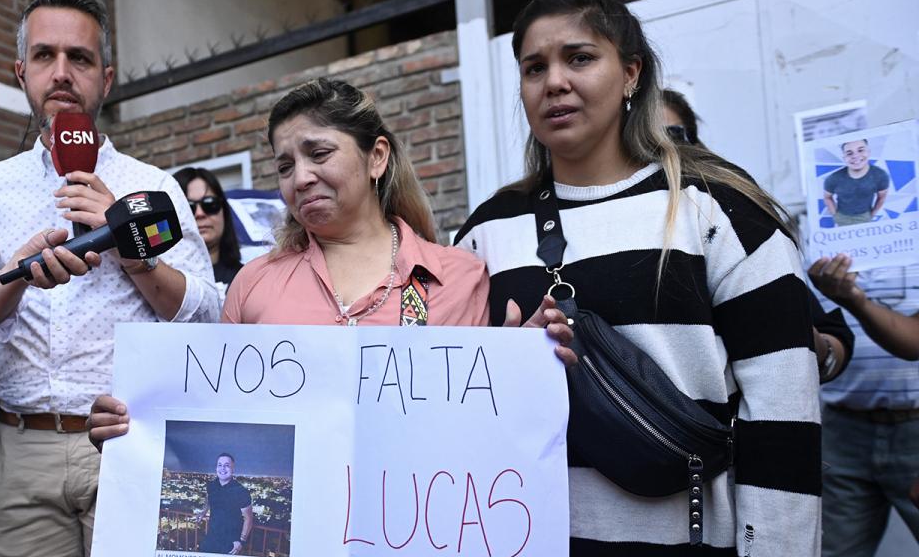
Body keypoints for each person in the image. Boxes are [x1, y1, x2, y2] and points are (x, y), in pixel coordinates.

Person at [455, 0, 821, 557]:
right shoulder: (485, 234)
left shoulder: (722, 215)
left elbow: (784, 433)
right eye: (534, 67)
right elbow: (461, 428)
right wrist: (504, 364)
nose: (554, 82)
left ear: (631, 73)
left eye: (579, 58)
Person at [86, 79, 575, 450]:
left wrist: (520, 367)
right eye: (284, 166)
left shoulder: (458, 275)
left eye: (319, 153)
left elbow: (478, 434)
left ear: (376, 157)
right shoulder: (253, 286)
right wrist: (139, 425)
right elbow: (218, 424)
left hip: (418, 549)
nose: (300, 178)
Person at [0, 0, 218, 557]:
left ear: (106, 77)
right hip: (20, 445)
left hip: (132, 443)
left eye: (79, 57)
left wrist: (127, 241)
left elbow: (208, 315)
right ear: (20, 73)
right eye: (44, 55)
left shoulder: (153, 188)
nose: (61, 72)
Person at [661, 90, 854, 383]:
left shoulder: (728, 220)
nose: (654, 150)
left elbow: (831, 344)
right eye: (629, 136)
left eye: (670, 135)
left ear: (694, 145)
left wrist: (806, 346)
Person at [808, 252, 919, 557]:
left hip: (914, 425)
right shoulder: (821, 238)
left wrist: (853, 299)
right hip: (843, 425)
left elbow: (914, 341)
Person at [173, 167, 243, 295]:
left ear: (224, 212)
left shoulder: (248, 278)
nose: (200, 214)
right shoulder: (160, 281)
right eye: (188, 207)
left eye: (210, 204)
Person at [824, 139, 891, 226]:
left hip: (865, 217)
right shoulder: (833, 178)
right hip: (842, 217)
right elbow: (827, 197)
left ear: (868, 152)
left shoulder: (880, 175)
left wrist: (872, 215)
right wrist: (835, 216)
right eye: (849, 153)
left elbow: (882, 197)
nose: (855, 156)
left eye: (860, 150)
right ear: (844, 157)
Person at [197, 453, 254, 555]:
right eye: (220, 465)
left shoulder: (241, 491)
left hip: (231, 542)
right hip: (211, 537)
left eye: (227, 465)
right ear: (216, 468)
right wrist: (203, 512)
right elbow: (209, 499)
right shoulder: (211, 486)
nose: (222, 468)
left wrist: (241, 541)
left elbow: (248, 518)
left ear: (233, 469)